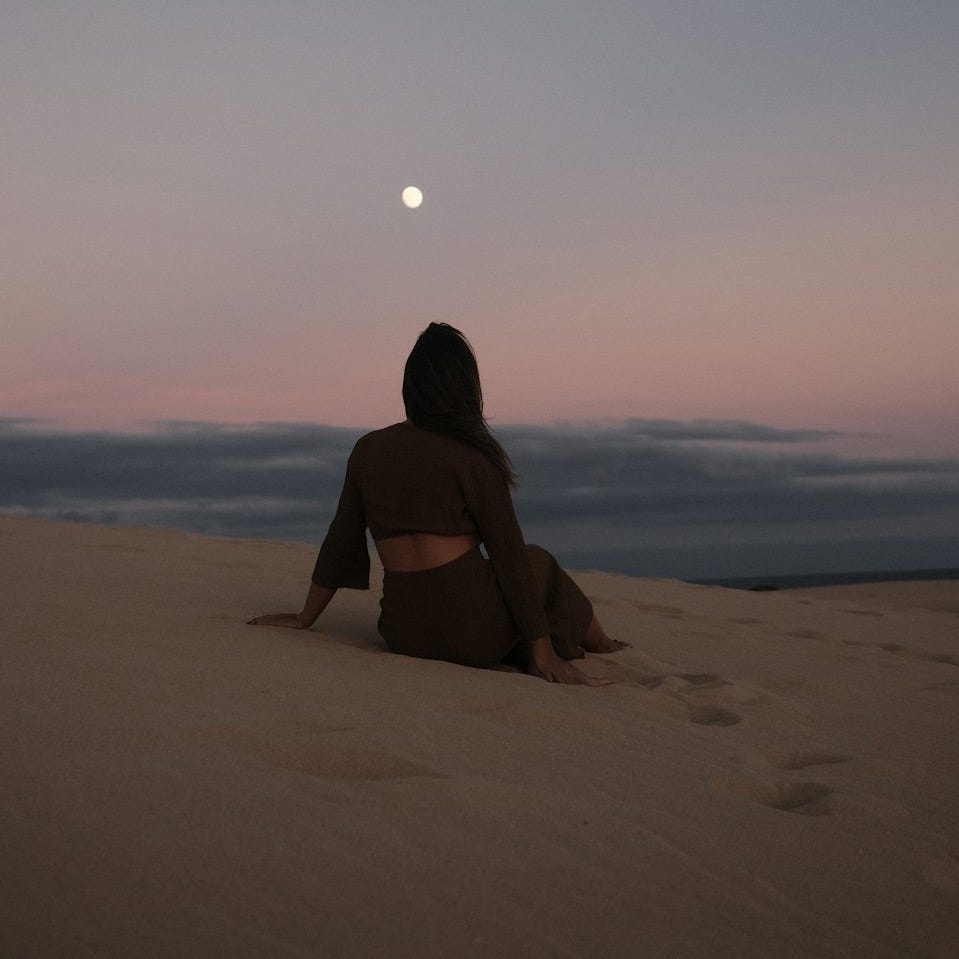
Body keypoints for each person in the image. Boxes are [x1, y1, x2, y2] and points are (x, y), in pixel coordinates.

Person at [248, 323, 627, 686]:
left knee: (519, 576)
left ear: (411, 386)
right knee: (539, 562)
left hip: (402, 634)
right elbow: (509, 557)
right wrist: (543, 653)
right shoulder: (472, 456)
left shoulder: (368, 449)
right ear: (465, 386)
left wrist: (305, 616)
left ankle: (567, 644)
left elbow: (340, 540)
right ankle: (601, 644)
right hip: (472, 638)